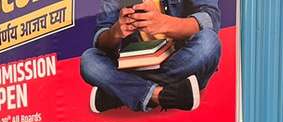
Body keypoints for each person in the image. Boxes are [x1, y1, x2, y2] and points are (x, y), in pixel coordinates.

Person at [81, 0, 222, 114]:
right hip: (134, 65)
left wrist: (166, 23)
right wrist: (115, 32)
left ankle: (120, 93)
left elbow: (210, 18)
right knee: (89, 60)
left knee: (209, 42)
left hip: (178, 60)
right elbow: (101, 39)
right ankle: (159, 94)